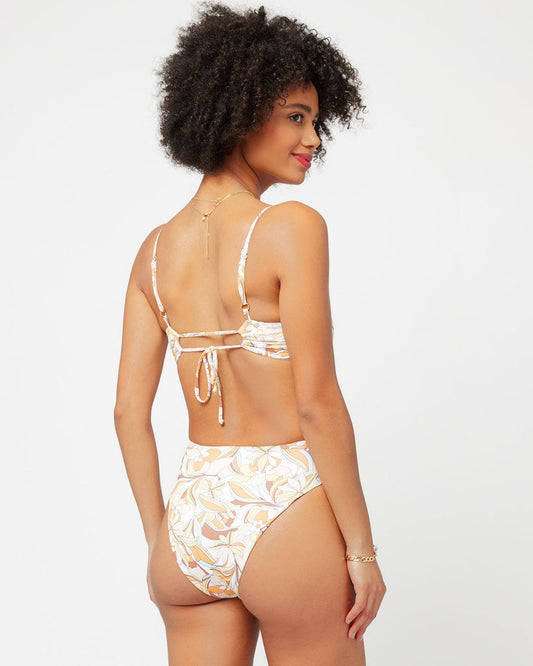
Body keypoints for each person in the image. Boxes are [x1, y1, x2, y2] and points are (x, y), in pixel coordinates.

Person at [114, 2, 387, 664]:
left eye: (316, 121)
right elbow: (316, 403)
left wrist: (159, 540)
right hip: (285, 507)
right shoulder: (291, 227)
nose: (313, 138)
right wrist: (360, 550)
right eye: (296, 116)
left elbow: (127, 413)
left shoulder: (153, 251)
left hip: (191, 518)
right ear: (239, 111)